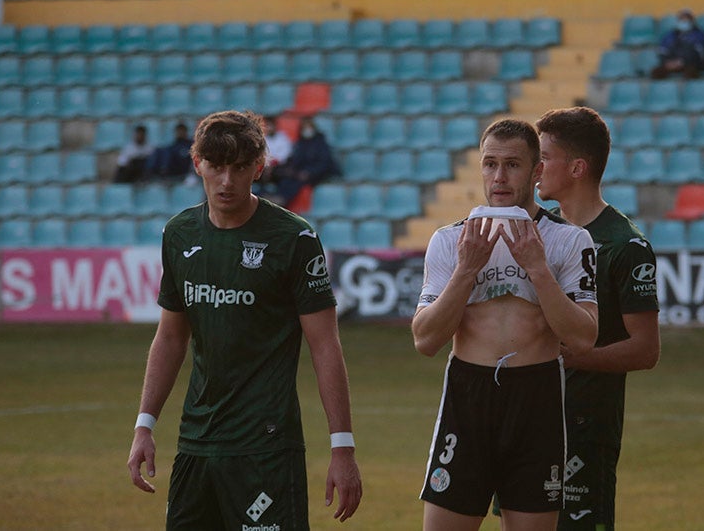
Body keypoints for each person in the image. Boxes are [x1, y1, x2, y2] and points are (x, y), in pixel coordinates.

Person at [125, 110, 362, 528]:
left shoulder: (295, 239)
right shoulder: (178, 235)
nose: (226, 181)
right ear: (197, 163)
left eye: (238, 168)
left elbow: (325, 345)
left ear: (259, 166)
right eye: (215, 167)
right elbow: (170, 338)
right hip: (196, 444)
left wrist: (342, 447)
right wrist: (145, 425)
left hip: (266, 448)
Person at [411, 117, 599, 531]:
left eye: (512, 165)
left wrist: (538, 269)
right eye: (490, 164)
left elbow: (584, 338)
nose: (499, 176)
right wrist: (466, 271)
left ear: (535, 173)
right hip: (468, 398)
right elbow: (425, 339)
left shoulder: (570, 240)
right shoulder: (450, 240)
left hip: (536, 399)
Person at [535, 107, 660, 530]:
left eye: (544, 157)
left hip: (585, 426)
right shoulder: (538, 234)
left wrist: (570, 357)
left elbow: (645, 349)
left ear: (576, 167)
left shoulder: (625, 245)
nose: (536, 168)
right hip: (527, 416)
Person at [266, 117, 341, 209]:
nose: (307, 130)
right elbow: (297, 161)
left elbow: (325, 163)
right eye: (304, 128)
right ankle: (278, 196)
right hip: (302, 172)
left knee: (298, 180)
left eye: (308, 127)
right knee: (290, 177)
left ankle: (282, 199)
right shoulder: (301, 143)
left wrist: (309, 172)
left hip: (318, 173)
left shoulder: (321, 143)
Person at [649, 9, 704, 79]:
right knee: (656, 72)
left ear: (692, 21)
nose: (684, 22)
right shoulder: (671, 35)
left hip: (690, 64)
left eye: (686, 19)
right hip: (671, 63)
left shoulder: (699, 35)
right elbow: (662, 50)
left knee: (691, 73)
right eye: (681, 19)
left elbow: (699, 53)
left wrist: (682, 62)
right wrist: (668, 62)